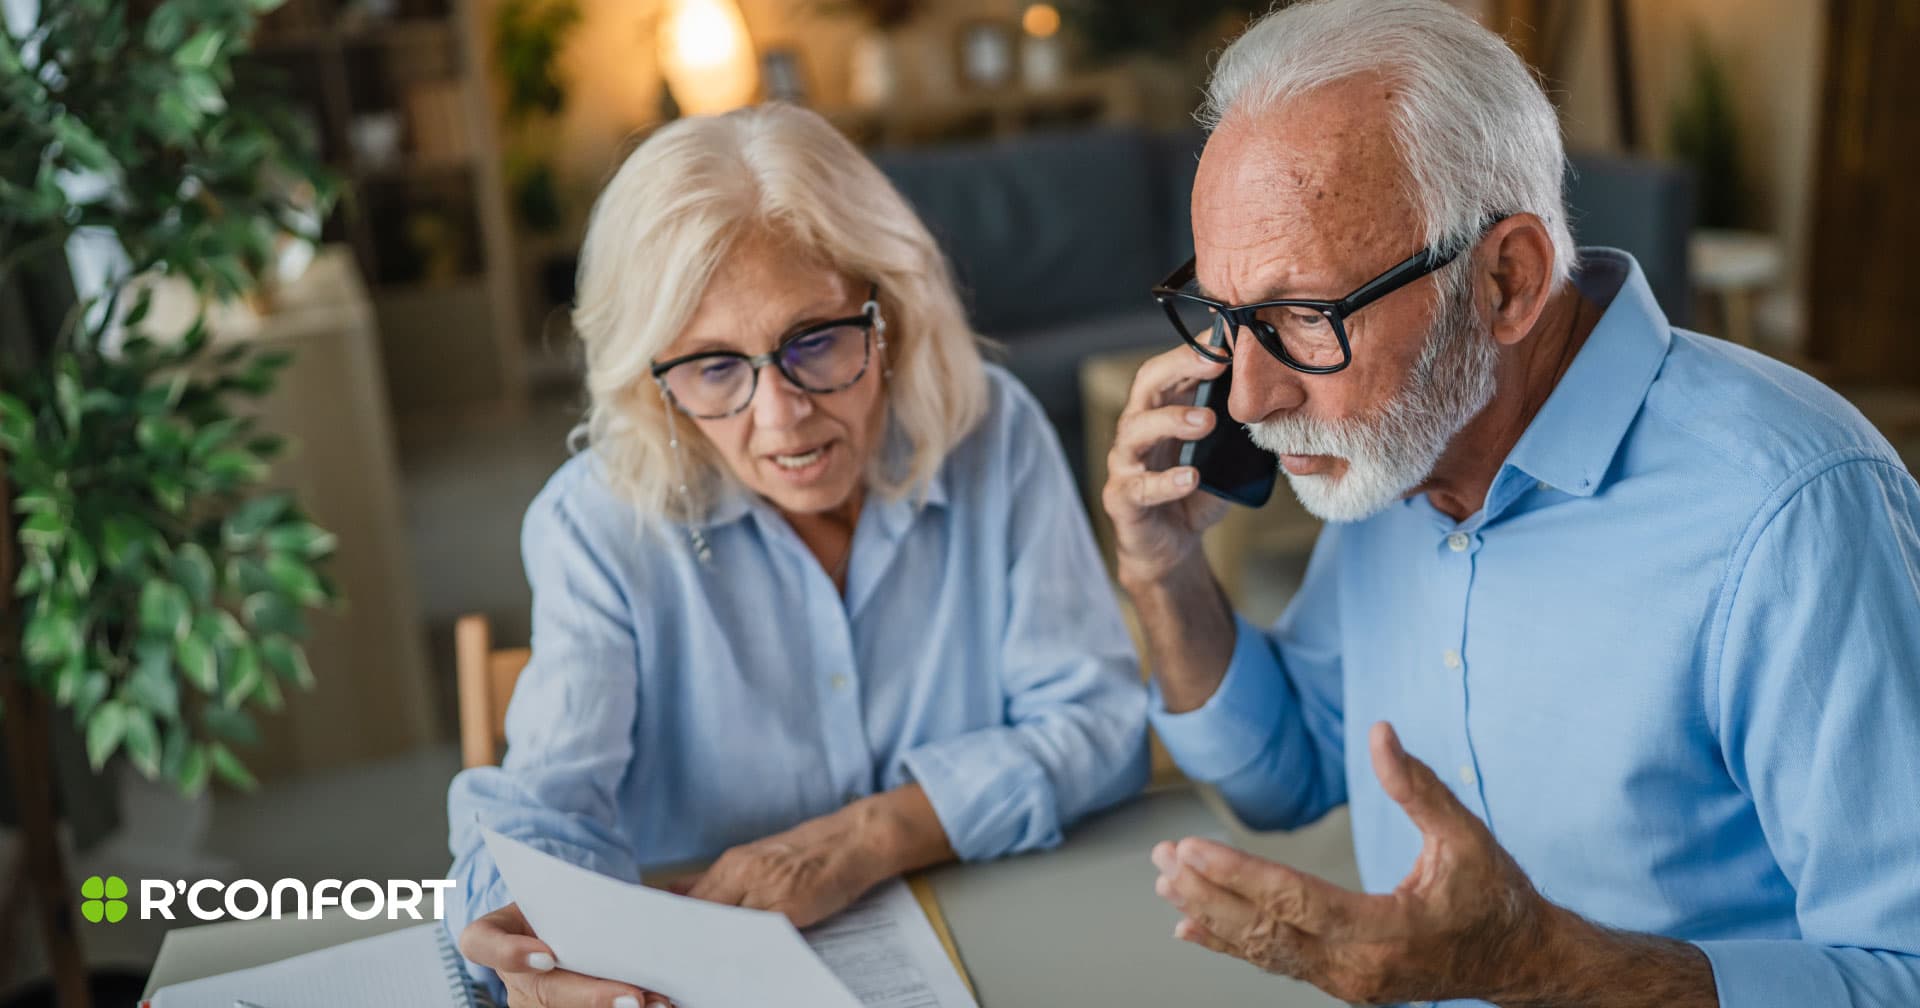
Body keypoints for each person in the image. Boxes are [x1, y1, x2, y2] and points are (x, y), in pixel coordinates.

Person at [1107, 1, 1920, 1006]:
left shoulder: (1792, 510)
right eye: (1227, 317)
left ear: (1507, 279)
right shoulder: (1396, 454)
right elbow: (1287, 771)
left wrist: (1540, 971)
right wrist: (1163, 571)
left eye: (1304, 318)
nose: (1247, 397)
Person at [446, 103, 1148, 1008]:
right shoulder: (598, 522)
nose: (781, 419)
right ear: (650, 376)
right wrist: (527, 936)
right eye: (712, 368)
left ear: (890, 309)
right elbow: (542, 809)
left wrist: (874, 836)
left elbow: (1101, 724)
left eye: (815, 342)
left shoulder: (994, 432)